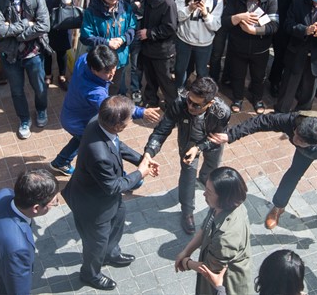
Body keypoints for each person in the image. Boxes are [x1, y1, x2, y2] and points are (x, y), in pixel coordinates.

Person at [210, 111, 317, 235]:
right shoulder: (294, 122)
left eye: (300, 140)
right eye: (295, 134)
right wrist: (231, 134)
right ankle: (279, 207)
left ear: (311, 143)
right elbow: (262, 121)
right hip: (307, 149)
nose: (294, 139)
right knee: (293, 175)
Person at [62, 95, 159, 290]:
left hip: (107, 199)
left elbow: (117, 145)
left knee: (118, 221)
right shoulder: (99, 155)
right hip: (92, 206)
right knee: (95, 244)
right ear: (118, 126)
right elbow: (113, 186)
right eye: (129, 119)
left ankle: (110, 253)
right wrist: (140, 173)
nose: (131, 120)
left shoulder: (98, 122)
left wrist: (142, 160)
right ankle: (90, 274)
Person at [50, 45, 160, 176]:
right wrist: (141, 112)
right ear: (94, 69)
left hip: (72, 115)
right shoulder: (95, 93)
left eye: (113, 68)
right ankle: (122, 177)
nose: (112, 74)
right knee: (107, 144)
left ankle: (61, 162)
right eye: (106, 72)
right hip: (80, 123)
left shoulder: (85, 59)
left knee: (80, 140)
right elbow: (116, 110)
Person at [144, 77, 231, 234]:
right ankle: (187, 211)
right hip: (189, 141)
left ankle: (204, 179)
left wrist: (200, 147)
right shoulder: (180, 103)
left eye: (196, 105)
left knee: (212, 166)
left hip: (211, 141)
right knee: (188, 175)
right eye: (189, 100)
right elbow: (162, 129)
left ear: (210, 103)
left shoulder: (222, 112)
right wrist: (150, 151)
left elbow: (218, 137)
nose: (190, 106)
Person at [0, 169, 59, 295]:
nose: (56, 203)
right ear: (36, 208)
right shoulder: (18, 249)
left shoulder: (3, 194)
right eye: (53, 202)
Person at [0, 0, 51, 140]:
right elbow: (0, 30)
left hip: (34, 52)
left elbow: (44, 25)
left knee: (39, 87)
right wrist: (26, 23)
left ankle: (41, 109)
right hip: (10, 54)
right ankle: (24, 119)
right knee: (17, 90)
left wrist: (18, 34)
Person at [174, 167, 252, 295]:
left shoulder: (225, 237)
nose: (204, 194)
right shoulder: (223, 205)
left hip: (225, 285)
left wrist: (186, 263)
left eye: (209, 192)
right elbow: (206, 227)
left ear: (223, 197)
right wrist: (186, 251)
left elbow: (210, 269)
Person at [80, 0, 137, 95]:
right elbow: (86, 37)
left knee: (115, 88)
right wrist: (107, 43)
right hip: (101, 61)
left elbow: (132, 27)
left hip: (120, 59)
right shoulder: (92, 12)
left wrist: (123, 39)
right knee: (98, 89)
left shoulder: (126, 8)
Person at [174, 0, 225, 89]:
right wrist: (189, 8)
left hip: (204, 43)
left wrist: (206, 14)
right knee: (180, 69)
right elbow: (176, 16)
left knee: (202, 72)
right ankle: (179, 91)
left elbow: (216, 26)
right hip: (184, 39)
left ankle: (199, 94)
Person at [28, 0, 72, 89]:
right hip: (44, 23)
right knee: (46, 51)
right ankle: (48, 75)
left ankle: (62, 75)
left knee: (61, 51)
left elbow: (67, 1)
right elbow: (32, 0)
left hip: (61, 23)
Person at [138, 0, 179, 108]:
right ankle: (150, 101)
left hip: (162, 51)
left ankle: (173, 107)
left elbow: (170, 28)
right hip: (148, 48)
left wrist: (149, 33)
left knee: (166, 81)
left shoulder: (168, 3)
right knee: (150, 79)